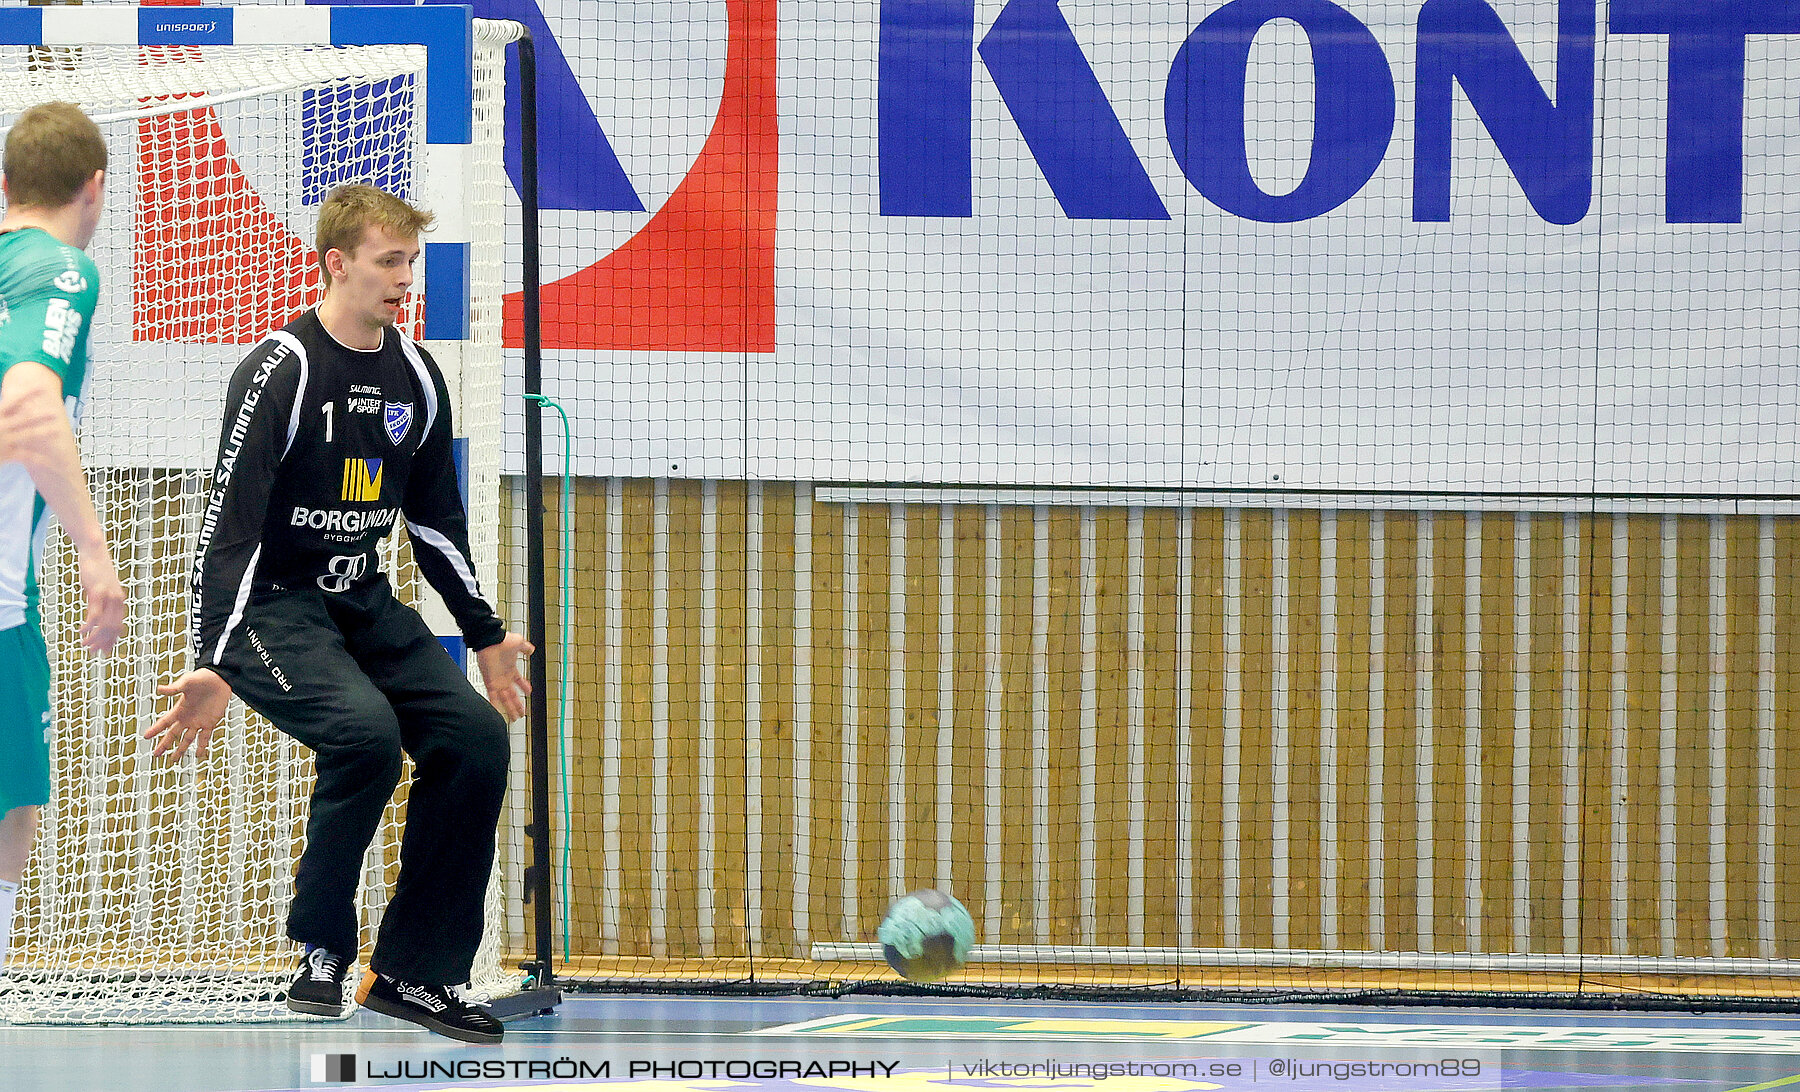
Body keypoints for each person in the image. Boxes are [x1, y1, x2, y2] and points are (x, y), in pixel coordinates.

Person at [148, 184, 531, 1044]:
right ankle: (321, 947)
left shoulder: (419, 377)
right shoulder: (281, 368)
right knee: (362, 736)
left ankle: (414, 974)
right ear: (338, 264)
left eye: (411, 262)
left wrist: (487, 634)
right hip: (273, 610)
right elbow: (230, 527)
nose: (405, 279)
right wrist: (213, 658)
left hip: (362, 600)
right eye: (389, 262)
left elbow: (435, 523)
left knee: (474, 741)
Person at [0, 102, 125, 974]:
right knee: (13, 806)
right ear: (95, 187)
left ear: (3, 186)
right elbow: (29, 406)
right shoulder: (60, 270)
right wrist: (93, 548)